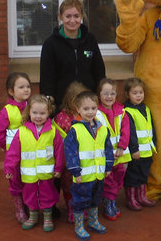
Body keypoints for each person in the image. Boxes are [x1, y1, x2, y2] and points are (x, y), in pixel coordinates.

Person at [4, 94, 64, 232]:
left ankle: (47, 218)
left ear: (48, 113)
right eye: (35, 112)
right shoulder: (22, 132)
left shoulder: (53, 132)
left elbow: (59, 152)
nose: (38, 116)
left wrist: (59, 168)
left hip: (47, 174)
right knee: (29, 195)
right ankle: (33, 216)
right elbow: (13, 153)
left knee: (47, 195)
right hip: (29, 174)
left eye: (42, 113)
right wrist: (9, 169)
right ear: (29, 112)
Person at [40, 0, 106, 112]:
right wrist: (49, 105)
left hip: (88, 106)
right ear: (60, 17)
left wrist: (101, 97)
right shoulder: (50, 44)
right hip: (62, 106)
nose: (72, 20)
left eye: (76, 16)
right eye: (68, 16)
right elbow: (46, 79)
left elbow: (99, 71)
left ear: (81, 16)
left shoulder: (90, 40)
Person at [64, 90, 114, 240]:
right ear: (78, 109)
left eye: (93, 108)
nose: (90, 112)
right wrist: (76, 171)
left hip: (98, 175)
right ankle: (79, 226)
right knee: (80, 200)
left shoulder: (103, 129)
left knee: (95, 199)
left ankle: (93, 222)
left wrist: (108, 167)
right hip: (83, 176)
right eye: (86, 109)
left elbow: (108, 149)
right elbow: (70, 151)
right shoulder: (75, 130)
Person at [0, 72, 31, 224]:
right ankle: (19, 207)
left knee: (28, 177)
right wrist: (4, 145)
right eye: (21, 87)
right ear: (11, 91)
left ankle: (29, 205)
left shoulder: (32, 106)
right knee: (15, 179)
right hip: (15, 155)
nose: (26, 90)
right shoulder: (8, 110)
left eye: (28, 86)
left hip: (30, 153)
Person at [53, 81, 89, 223]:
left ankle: (82, 208)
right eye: (76, 101)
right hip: (69, 162)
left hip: (86, 160)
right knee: (69, 187)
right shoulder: (61, 118)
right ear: (69, 100)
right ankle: (71, 210)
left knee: (84, 186)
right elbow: (59, 141)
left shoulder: (87, 115)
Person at [96, 78, 131, 221]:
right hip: (107, 156)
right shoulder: (96, 113)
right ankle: (108, 204)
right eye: (105, 93)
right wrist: (110, 152)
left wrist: (122, 147)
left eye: (112, 93)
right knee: (108, 181)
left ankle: (111, 200)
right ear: (99, 95)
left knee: (118, 181)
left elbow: (126, 131)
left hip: (121, 154)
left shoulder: (122, 111)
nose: (109, 97)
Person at [122, 78, 157, 211]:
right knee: (132, 175)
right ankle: (131, 199)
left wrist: (154, 144)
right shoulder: (127, 111)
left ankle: (141, 196)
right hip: (135, 152)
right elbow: (130, 133)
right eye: (134, 93)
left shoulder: (146, 108)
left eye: (141, 92)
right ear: (127, 94)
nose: (138, 95)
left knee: (143, 174)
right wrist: (134, 149)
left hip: (147, 151)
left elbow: (151, 128)